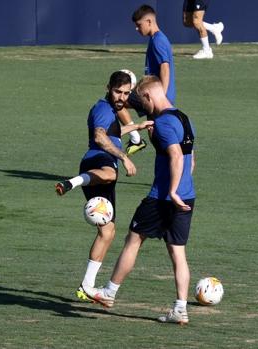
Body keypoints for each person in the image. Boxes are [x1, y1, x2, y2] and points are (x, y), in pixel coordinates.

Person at [84, 75, 196, 325]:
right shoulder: (183, 118)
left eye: (141, 101)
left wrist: (173, 191)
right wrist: (183, 190)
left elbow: (177, 156)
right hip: (188, 196)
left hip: (163, 197)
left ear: (148, 96)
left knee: (133, 240)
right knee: (178, 253)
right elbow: (191, 159)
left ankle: (109, 292)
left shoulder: (165, 123)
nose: (141, 107)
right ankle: (180, 308)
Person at [55, 71, 153, 302]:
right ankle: (73, 182)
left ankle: (87, 286)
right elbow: (100, 137)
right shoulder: (102, 109)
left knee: (107, 232)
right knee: (109, 174)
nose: (121, 97)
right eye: (117, 91)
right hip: (97, 161)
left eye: (126, 93)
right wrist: (124, 157)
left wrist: (136, 126)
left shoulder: (113, 110)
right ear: (108, 87)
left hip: (101, 164)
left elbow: (114, 132)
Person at [118, 4, 176, 156]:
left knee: (117, 100)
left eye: (139, 25)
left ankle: (136, 139)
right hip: (151, 95)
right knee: (154, 133)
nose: (137, 29)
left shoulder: (158, 41)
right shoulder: (156, 39)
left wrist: (160, 96)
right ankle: (167, 161)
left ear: (149, 21)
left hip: (155, 97)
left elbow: (165, 68)